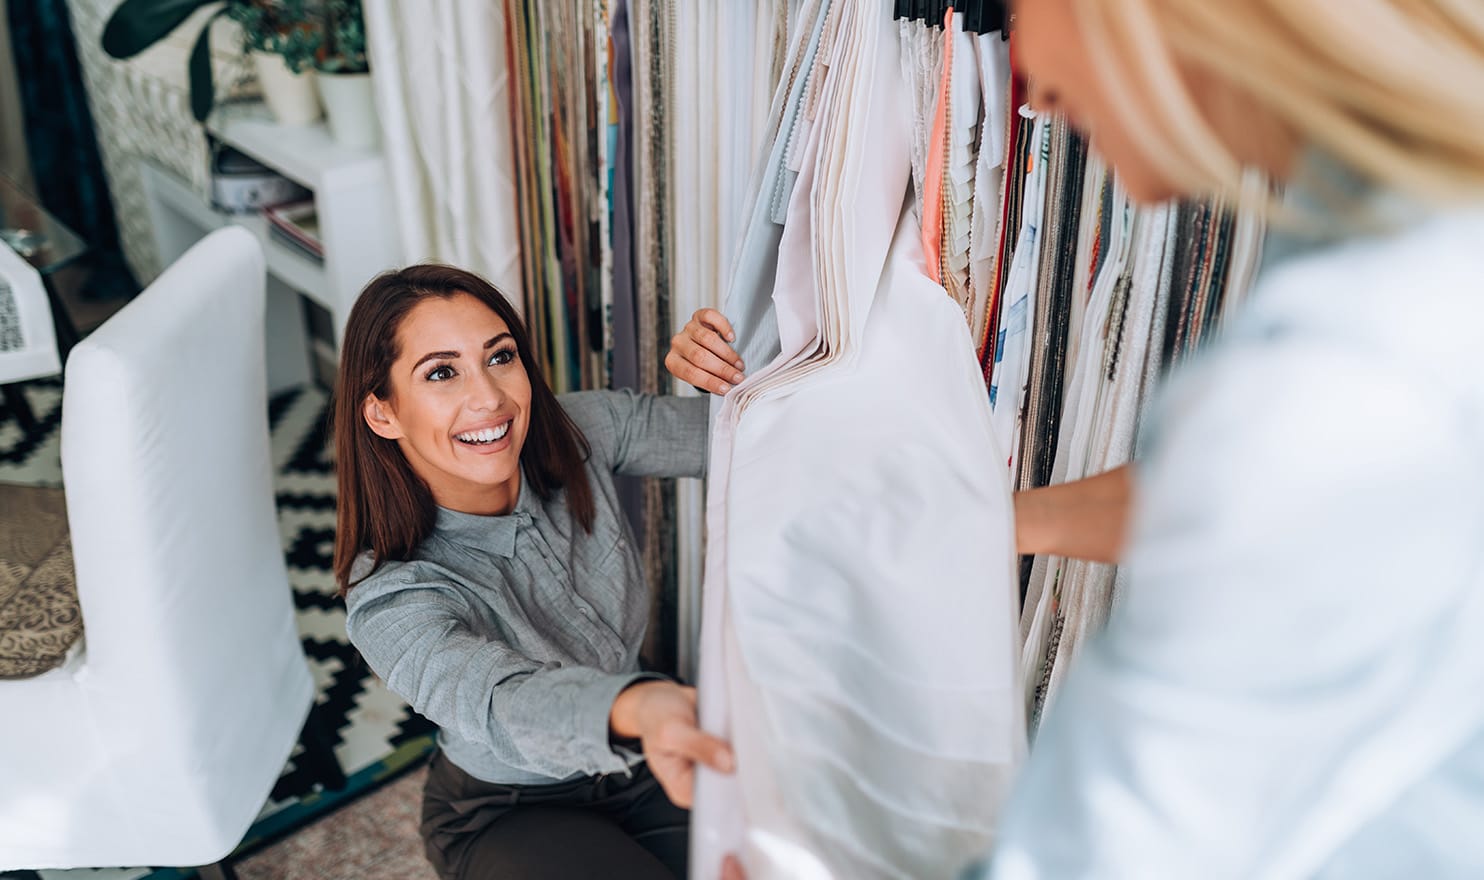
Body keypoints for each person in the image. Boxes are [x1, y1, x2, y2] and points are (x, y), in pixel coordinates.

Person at [333, 264, 733, 880]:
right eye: (442, 372)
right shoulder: (389, 593)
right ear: (383, 414)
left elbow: (753, 443)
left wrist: (734, 370)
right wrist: (635, 706)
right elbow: (499, 699)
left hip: (642, 754)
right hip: (505, 808)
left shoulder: (580, 430)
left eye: (500, 357)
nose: (490, 398)